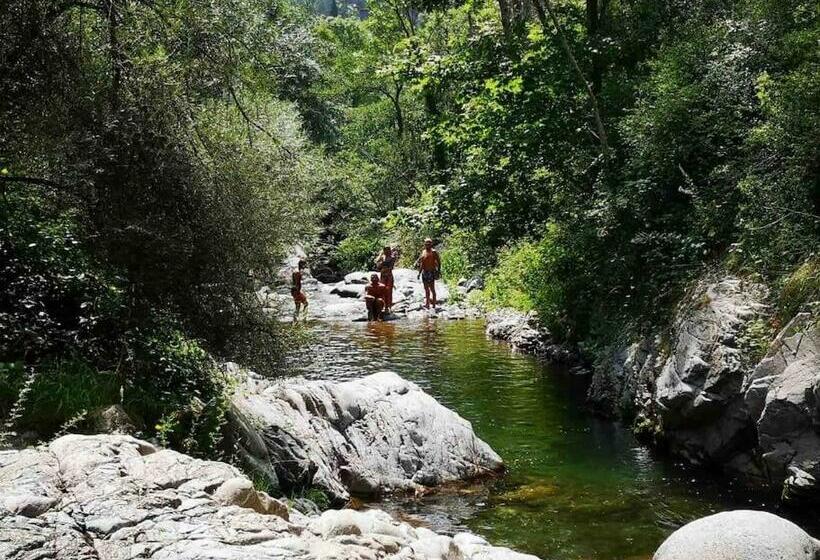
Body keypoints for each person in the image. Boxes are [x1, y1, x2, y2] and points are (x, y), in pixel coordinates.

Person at [416, 238, 441, 309]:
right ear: (424, 244)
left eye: (429, 243)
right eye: (426, 243)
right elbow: (422, 264)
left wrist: (438, 272)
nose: (427, 245)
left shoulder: (434, 252)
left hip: (431, 272)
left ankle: (434, 304)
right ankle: (427, 303)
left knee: (432, 288)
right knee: (426, 289)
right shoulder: (423, 252)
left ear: (431, 244)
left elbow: (439, 262)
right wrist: (419, 273)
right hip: (425, 272)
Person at [375, 245, 398, 314]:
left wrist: (382, 266)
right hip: (382, 276)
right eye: (385, 250)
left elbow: (391, 267)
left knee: (389, 291)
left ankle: (389, 307)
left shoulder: (392, 258)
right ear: (384, 251)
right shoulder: (382, 257)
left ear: (390, 250)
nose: (387, 251)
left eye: (388, 250)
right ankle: (383, 306)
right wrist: (381, 264)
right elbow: (377, 266)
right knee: (382, 291)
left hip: (389, 276)